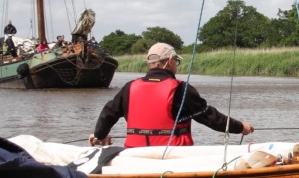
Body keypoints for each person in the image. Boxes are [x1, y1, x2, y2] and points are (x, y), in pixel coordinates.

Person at [89, 42, 254, 147]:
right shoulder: (180, 89)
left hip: (136, 154)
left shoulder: (129, 87)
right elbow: (210, 117)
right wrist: (240, 127)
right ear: (169, 61)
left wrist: (99, 136)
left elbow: (108, 113)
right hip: (172, 156)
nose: (176, 65)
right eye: (176, 61)